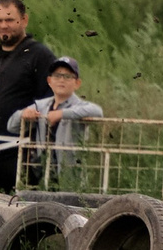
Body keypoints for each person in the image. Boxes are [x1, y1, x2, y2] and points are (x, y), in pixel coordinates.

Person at [0, 0, 57, 193]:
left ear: (24, 20)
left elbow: (54, 101)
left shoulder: (40, 56)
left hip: (19, 156)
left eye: (9, 20)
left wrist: (33, 113)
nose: (3, 26)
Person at [10, 56, 102, 187]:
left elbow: (97, 112)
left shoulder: (80, 106)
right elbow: (11, 126)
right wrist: (23, 115)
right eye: (57, 76)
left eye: (68, 76)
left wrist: (62, 114)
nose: (61, 80)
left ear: (77, 83)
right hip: (41, 175)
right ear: (49, 80)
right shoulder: (41, 105)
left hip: (70, 177)